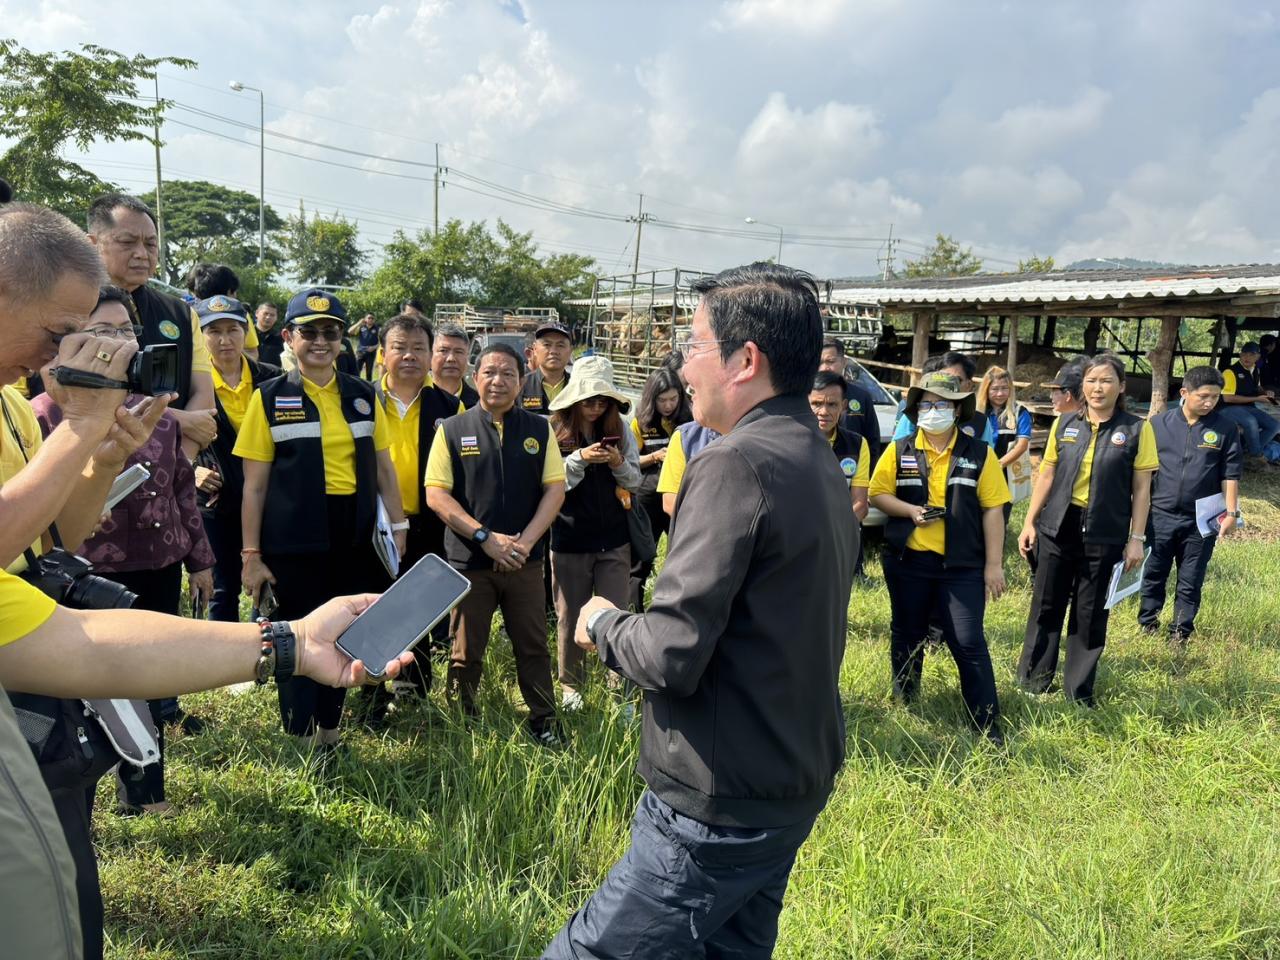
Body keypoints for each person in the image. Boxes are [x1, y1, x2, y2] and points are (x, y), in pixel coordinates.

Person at [0, 198, 415, 960]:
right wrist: (83, 433)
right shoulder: (43, 405)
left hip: (37, 679)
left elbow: (59, 540)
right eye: (61, 333)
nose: (70, 352)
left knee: (69, 891)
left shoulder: (13, 410)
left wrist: (98, 457)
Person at [544, 263, 856, 959]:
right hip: (785, 776)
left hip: (718, 796)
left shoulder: (734, 463)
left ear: (747, 361)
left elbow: (669, 653)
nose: (681, 365)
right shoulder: (813, 456)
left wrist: (601, 622)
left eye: (694, 344)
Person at [32, 284, 217, 815]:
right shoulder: (42, 416)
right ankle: (76, 793)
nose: (118, 342)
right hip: (81, 580)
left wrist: (201, 560)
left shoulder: (153, 413)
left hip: (156, 565)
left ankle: (145, 792)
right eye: (101, 331)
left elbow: (183, 487)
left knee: (147, 679)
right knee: (86, 694)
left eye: (125, 330)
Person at [235, 289, 407, 748]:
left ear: (341, 339)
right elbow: (253, 486)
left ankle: (330, 731)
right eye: (308, 332)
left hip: (353, 539)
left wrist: (399, 525)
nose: (320, 341)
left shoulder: (364, 395)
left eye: (330, 332)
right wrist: (251, 554)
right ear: (289, 337)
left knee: (346, 635)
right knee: (296, 638)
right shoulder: (268, 398)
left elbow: (385, 469)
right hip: (293, 542)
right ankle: (300, 737)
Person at [424, 342, 567, 745]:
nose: (498, 381)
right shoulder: (452, 429)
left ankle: (544, 720)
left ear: (522, 381)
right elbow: (437, 494)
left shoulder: (540, 429)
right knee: (464, 651)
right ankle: (461, 723)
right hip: (471, 562)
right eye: (489, 372)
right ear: (475, 377)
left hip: (525, 561)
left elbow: (554, 491)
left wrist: (523, 543)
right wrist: (485, 538)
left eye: (508, 373)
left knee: (533, 647)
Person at [869, 372, 1010, 740]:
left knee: (967, 640)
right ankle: (907, 703)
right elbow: (877, 493)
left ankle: (986, 722)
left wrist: (994, 565)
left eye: (943, 404)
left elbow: (994, 508)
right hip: (909, 562)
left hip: (961, 566)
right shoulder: (900, 449)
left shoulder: (980, 453)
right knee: (906, 633)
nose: (934, 411)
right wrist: (908, 511)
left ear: (958, 409)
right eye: (927, 404)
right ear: (916, 410)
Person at [1017, 353, 1159, 705]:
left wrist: (1136, 539)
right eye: (1092, 381)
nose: (1098, 388)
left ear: (1121, 387)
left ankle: (1078, 691)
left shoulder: (1137, 429)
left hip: (1104, 530)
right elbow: (1046, 474)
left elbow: (1141, 489)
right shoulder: (1064, 424)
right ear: (1082, 386)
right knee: (1046, 604)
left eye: (1107, 380)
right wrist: (1029, 521)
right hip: (1057, 526)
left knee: (1090, 611)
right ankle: (1033, 680)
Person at [368, 314, 462, 700]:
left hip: (427, 520)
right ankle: (369, 688)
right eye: (399, 348)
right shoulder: (362, 398)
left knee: (418, 606)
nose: (409, 356)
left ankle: (414, 685)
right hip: (372, 520)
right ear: (382, 354)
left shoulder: (448, 406)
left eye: (418, 348)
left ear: (429, 355)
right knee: (372, 603)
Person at [86, 194, 217, 462]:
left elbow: (203, 398)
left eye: (150, 244)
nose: (141, 254)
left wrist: (177, 466)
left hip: (172, 471)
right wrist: (177, 419)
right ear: (92, 245)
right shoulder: (67, 309)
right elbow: (73, 399)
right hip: (91, 465)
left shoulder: (180, 313)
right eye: (127, 242)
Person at [547, 356, 641, 710]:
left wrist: (617, 462)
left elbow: (635, 480)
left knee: (616, 611)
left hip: (614, 537)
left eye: (603, 401)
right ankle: (571, 685)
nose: (596, 407)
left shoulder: (621, 429)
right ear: (574, 400)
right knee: (569, 613)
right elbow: (552, 484)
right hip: (570, 538)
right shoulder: (554, 430)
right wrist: (580, 459)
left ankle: (619, 687)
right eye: (589, 400)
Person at [193, 295, 282, 624]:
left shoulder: (272, 379)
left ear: (246, 333)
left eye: (233, 329)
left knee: (268, 581)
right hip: (216, 502)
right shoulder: (191, 384)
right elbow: (164, 440)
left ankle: (267, 661)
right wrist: (190, 471)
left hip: (268, 500)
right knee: (221, 588)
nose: (224, 339)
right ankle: (223, 665)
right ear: (200, 336)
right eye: (213, 331)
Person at [1138, 366, 1242, 642]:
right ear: (1184, 393)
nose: (1209, 402)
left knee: (1191, 576)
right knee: (1154, 571)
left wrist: (1231, 513)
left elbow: (1229, 473)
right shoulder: (1158, 424)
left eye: (1215, 397)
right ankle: (1148, 623)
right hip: (1159, 514)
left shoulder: (1225, 428)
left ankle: (1180, 631)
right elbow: (1143, 472)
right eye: (1203, 396)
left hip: (1201, 520)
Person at [628, 366, 691, 609]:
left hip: (679, 496)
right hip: (647, 498)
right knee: (642, 558)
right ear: (651, 398)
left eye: (673, 399)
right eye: (662, 400)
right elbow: (630, 460)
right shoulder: (639, 422)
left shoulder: (689, 419)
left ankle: (673, 610)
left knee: (680, 556)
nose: (668, 405)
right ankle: (634, 612)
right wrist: (654, 457)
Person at [892, 352, 995, 447]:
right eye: (943, 378)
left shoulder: (980, 422)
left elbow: (986, 459)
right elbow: (898, 450)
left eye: (956, 380)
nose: (948, 384)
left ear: (969, 385)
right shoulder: (917, 413)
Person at [810, 370, 870, 520]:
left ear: (843, 406)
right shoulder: (789, 443)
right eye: (816, 404)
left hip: (842, 538)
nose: (824, 411)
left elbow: (860, 504)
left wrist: (833, 533)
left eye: (832, 404)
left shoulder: (858, 444)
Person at [976, 364, 1033, 520]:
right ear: (986, 389)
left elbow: (1021, 446)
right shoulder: (975, 412)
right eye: (994, 389)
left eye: (1004, 388)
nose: (1000, 393)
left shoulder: (1020, 413)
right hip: (976, 471)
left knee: (999, 516)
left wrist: (997, 466)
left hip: (1004, 474)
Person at [817, 336, 881, 461]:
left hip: (853, 471)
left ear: (844, 362)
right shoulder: (805, 396)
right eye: (819, 363)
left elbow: (873, 443)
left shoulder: (862, 397)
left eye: (830, 361)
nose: (825, 368)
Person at [1215, 341, 1280, 465]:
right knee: (1250, 422)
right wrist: (1256, 399)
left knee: (1274, 425)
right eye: (1244, 354)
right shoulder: (1230, 372)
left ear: (1258, 357)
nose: (1247, 357)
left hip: (1247, 407)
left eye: (1252, 354)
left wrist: (1267, 392)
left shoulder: (1255, 370)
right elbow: (1228, 398)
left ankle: (1248, 452)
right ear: (1240, 355)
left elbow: (1256, 388)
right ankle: (1256, 457)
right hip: (1227, 408)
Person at [184, 262, 261, 360]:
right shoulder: (189, 316)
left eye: (232, 330)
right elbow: (253, 352)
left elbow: (251, 351)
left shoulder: (240, 315)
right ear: (229, 291)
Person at [519, 321, 573, 414]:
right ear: (535, 349)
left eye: (560, 345)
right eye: (547, 345)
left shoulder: (577, 387)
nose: (553, 351)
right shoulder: (520, 386)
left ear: (570, 351)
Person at [431, 323, 479, 408]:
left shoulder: (479, 405)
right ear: (430, 354)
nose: (451, 358)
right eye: (443, 350)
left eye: (458, 352)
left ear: (467, 357)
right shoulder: (414, 399)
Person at [349, 313, 381, 380]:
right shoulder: (361, 327)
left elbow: (381, 342)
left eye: (372, 318)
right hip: (360, 352)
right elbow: (350, 331)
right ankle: (356, 386)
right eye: (369, 318)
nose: (371, 319)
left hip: (371, 353)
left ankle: (368, 388)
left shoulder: (377, 328)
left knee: (369, 373)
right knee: (357, 371)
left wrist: (374, 347)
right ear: (365, 319)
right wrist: (359, 323)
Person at [254, 301, 285, 368]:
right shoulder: (247, 334)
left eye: (272, 315)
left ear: (276, 318)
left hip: (273, 376)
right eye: (265, 313)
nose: (268, 317)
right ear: (257, 313)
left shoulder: (281, 338)